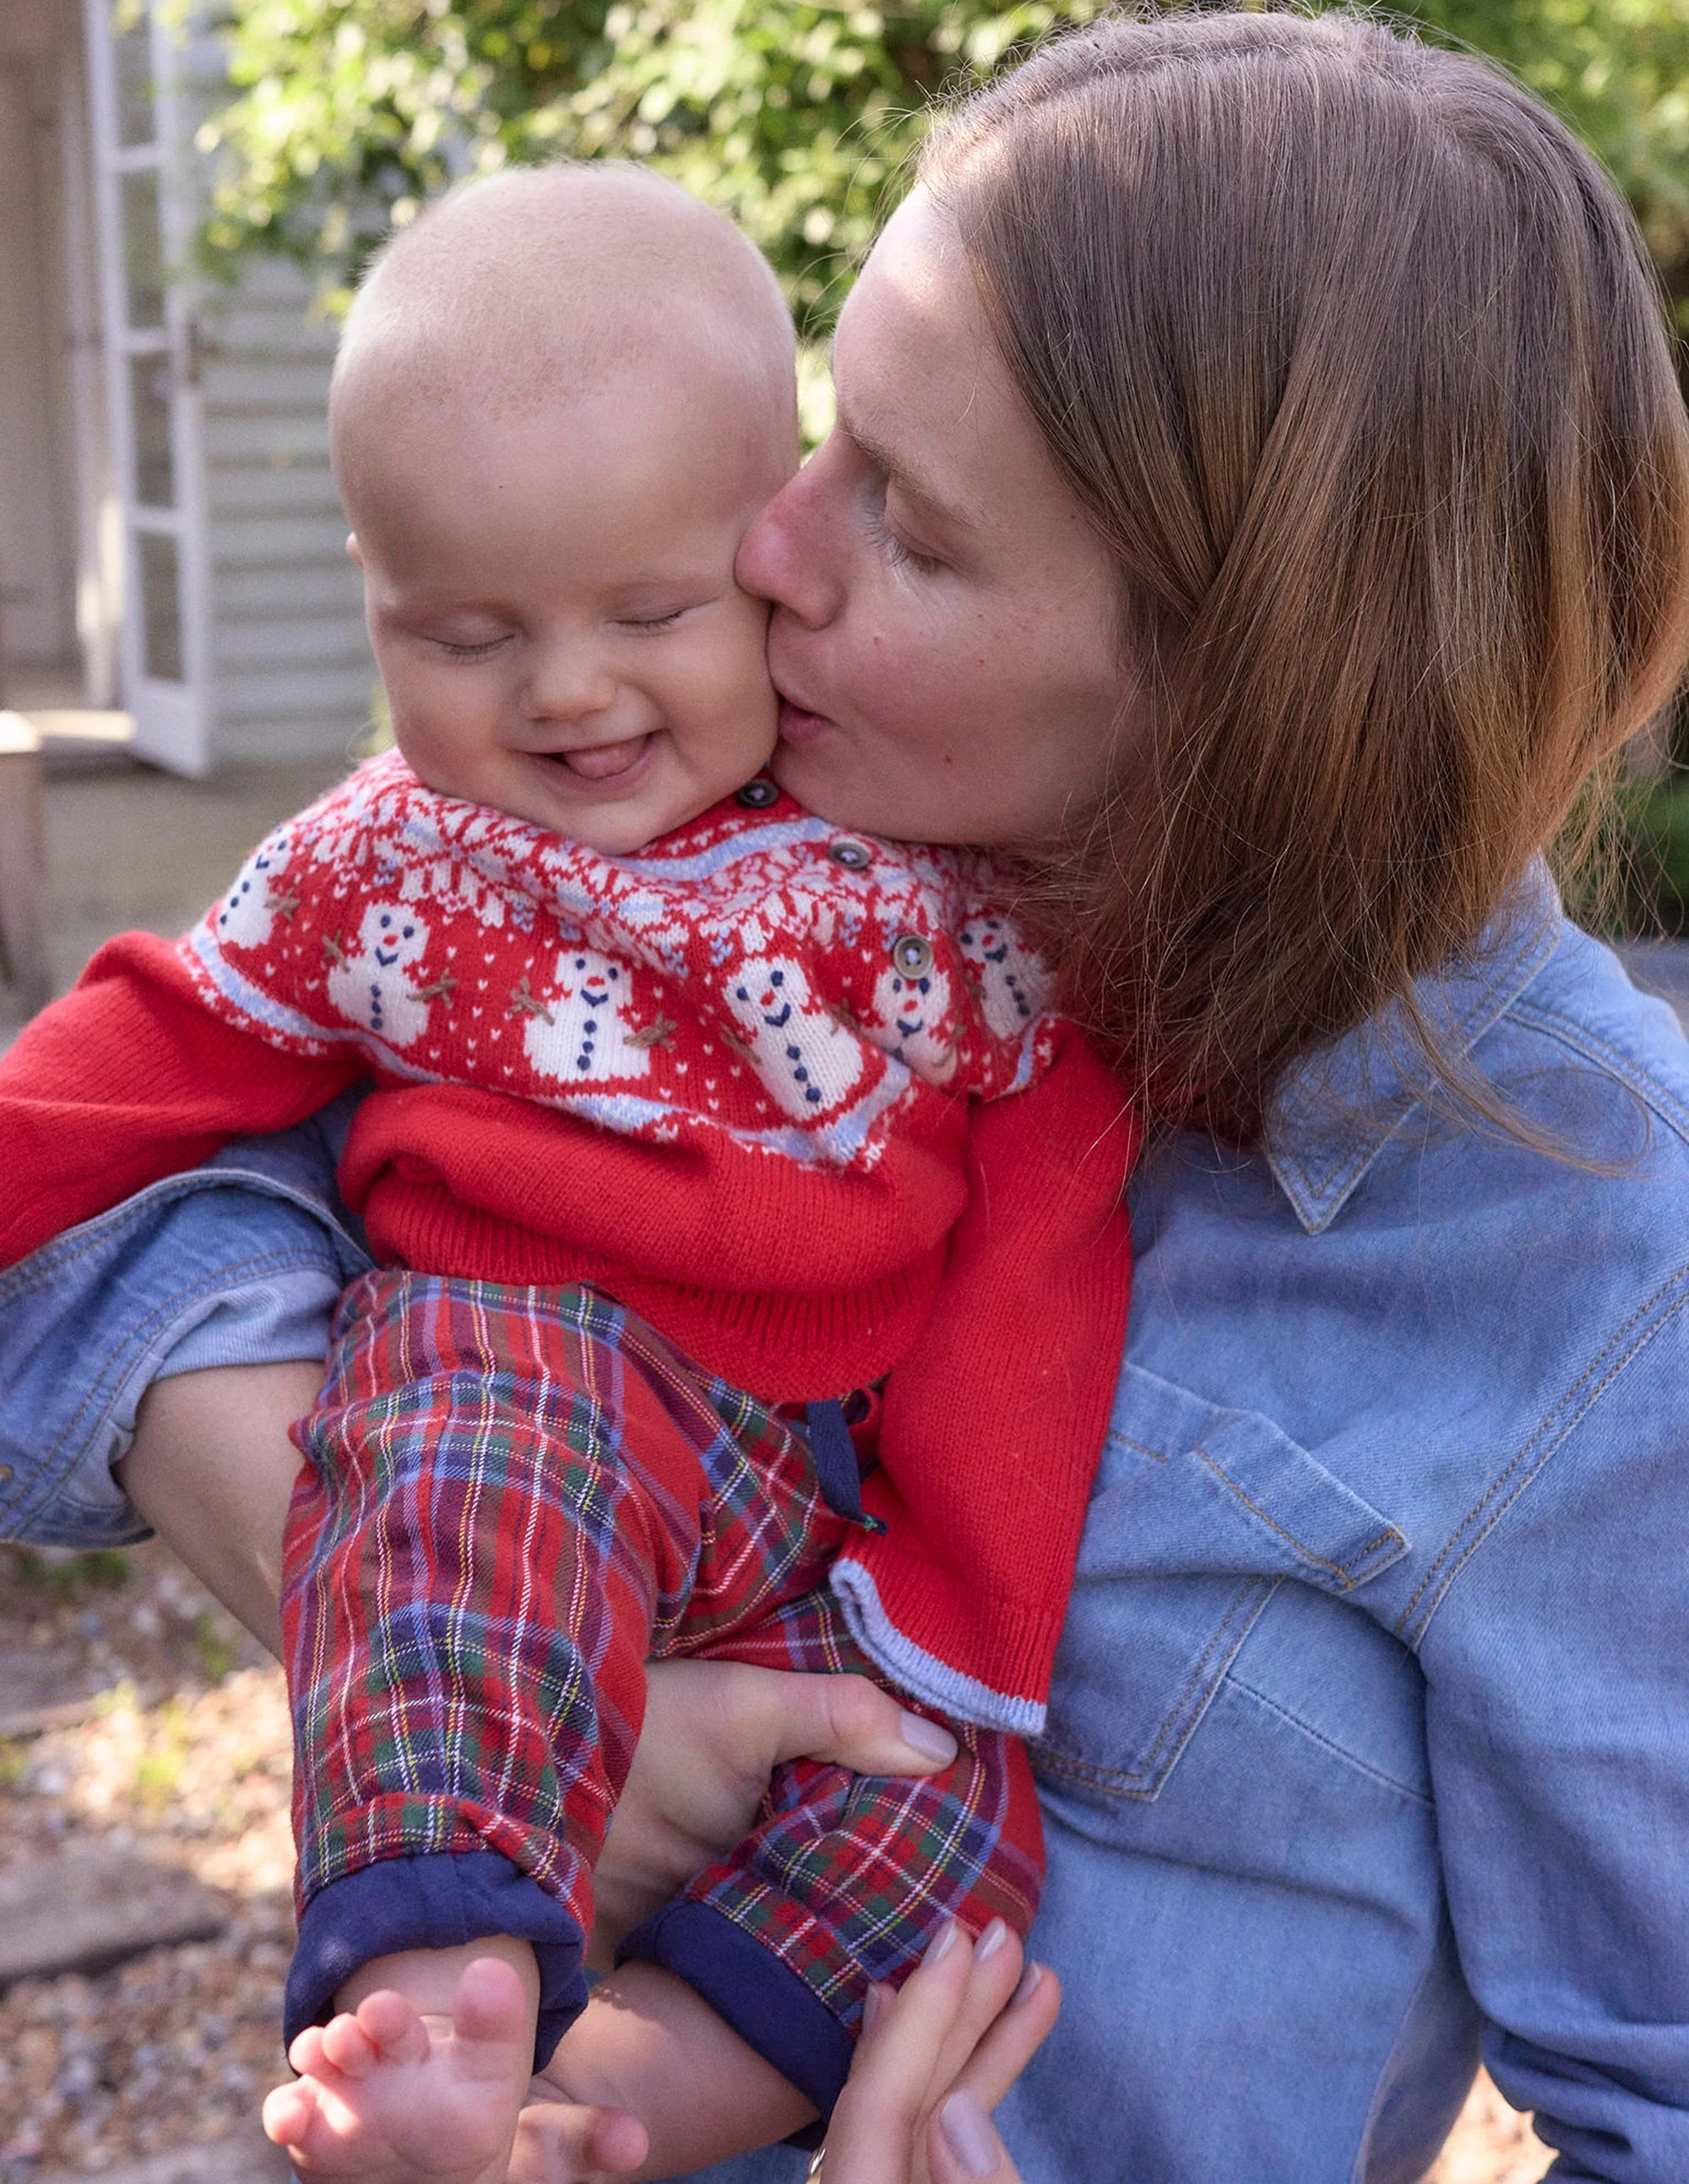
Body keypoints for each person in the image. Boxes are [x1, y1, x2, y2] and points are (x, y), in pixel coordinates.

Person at [5, 6, 1689, 2177]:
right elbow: (148, 1185)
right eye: (826, 429)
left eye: (903, 517)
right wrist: (451, 1651)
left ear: (1234, 677)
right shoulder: (680, 829)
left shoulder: (1589, 1263)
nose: (767, 547)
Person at [0, 160, 1135, 2183]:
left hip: (812, 1483)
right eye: (469, 632)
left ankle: (593, 2114)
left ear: (774, 554)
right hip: (524, 1362)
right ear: (369, 599)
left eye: (650, 612)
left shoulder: (917, 860)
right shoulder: (384, 860)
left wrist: (960, 1598)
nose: (570, 692)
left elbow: (1043, 1226)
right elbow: (139, 1057)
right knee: (461, 1522)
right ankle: (431, 2002)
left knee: (942, 1818)